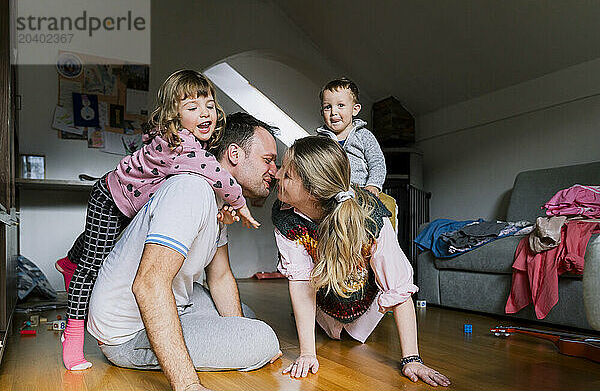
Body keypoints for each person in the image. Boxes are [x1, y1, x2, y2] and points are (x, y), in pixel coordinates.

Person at [57, 70, 261, 371]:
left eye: (208, 105)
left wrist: (219, 216)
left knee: (109, 248)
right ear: (174, 117)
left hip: (134, 203)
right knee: (92, 266)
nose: (204, 114)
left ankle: (71, 259)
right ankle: (72, 334)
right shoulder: (181, 147)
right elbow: (218, 175)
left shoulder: (189, 146)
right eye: (192, 108)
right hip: (112, 198)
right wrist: (240, 203)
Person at [87, 112, 281, 391]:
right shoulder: (191, 191)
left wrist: (238, 333)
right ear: (235, 154)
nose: (273, 170)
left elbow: (221, 276)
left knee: (246, 318)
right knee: (264, 340)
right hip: (127, 333)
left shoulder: (218, 198)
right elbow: (148, 284)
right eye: (267, 160)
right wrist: (188, 385)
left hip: (175, 301)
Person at [272, 136, 450, 387]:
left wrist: (412, 359)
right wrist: (307, 353)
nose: (277, 175)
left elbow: (398, 287)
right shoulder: (286, 217)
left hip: (365, 305)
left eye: (287, 175)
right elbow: (301, 283)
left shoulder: (370, 216)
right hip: (323, 304)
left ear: (313, 191)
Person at [316, 78, 386, 196]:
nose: (333, 112)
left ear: (355, 109)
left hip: (360, 191)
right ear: (322, 112)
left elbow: (377, 162)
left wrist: (373, 185)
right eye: (328, 107)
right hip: (330, 193)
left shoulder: (364, 135)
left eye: (341, 105)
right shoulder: (320, 140)